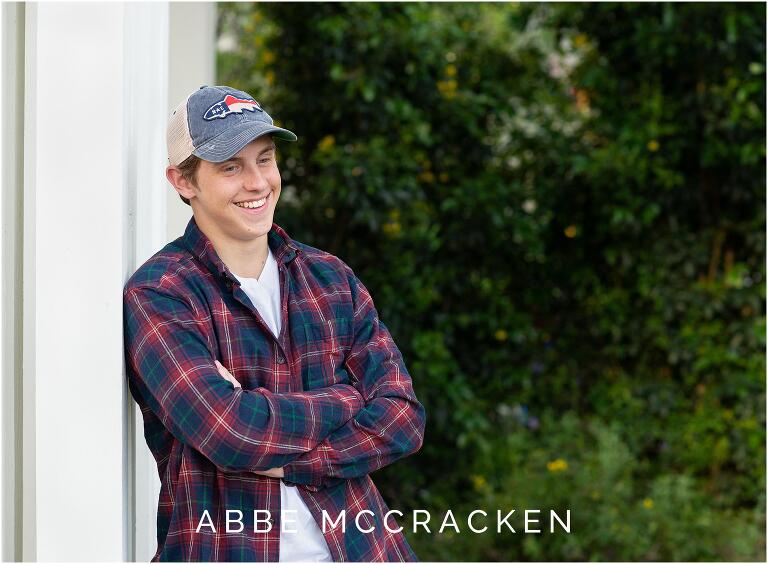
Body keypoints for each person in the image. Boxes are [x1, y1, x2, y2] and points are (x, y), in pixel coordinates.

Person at [123, 85, 426, 562]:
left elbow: (403, 418)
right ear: (183, 181)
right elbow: (231, 432)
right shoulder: (161, 294)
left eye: (265, 159)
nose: (257, 182)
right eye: (230, 167)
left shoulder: (330, 279)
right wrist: (350, 397)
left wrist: (283, 460)